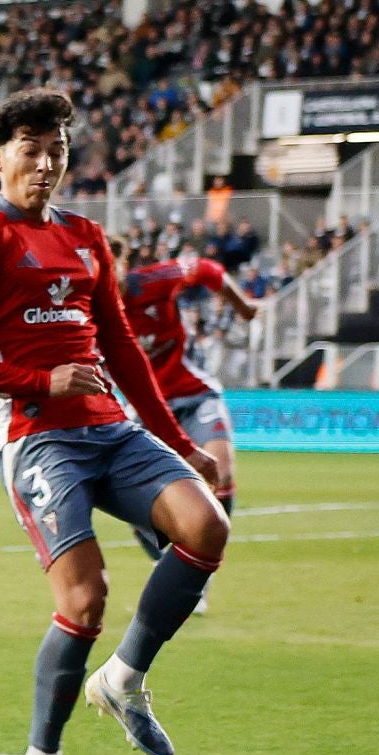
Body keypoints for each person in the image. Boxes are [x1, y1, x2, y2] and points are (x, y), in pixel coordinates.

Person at [0, 88, 228, 755]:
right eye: (31, 147)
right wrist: (39, 379)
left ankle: (122, 680)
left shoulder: (87, 235)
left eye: (57, 148)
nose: (46, 161)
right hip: (35, 434)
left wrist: (181, 441)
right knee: (85, 598)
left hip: (110, 426)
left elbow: (122, 347)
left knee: (207, 523)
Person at [114, 241, 260, 590]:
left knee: (221, 472)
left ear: (121, 264)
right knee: (142, 504)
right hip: (147, 408)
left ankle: (204, 567)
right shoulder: (90, 309)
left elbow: (208, 270)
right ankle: (176, 574)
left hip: (195, 392)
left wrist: (242, 306)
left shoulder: (155, 280)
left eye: (111, 264)